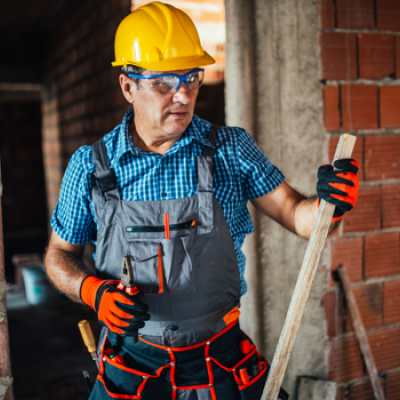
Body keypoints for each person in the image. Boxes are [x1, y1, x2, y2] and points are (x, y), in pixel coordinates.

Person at [44, 2, 359, 399]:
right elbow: (58, 256)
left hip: (222, 359)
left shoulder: (231, 149)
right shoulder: (90, 168)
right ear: (128, 86)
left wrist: (332, 203)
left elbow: (299, 216)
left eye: (192, 78)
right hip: (133, 364)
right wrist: (92, 291)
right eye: (164, 82)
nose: (182, 95)